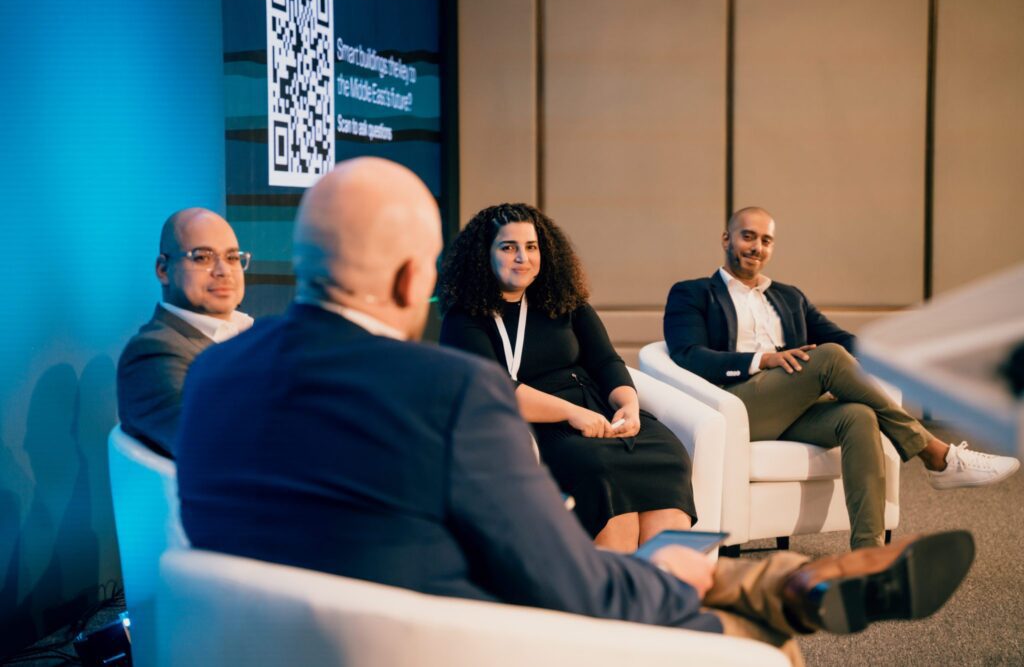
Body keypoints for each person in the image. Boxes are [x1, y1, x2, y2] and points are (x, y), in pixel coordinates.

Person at [177, 158, 975, 666]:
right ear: (413, 276)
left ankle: (781, 578)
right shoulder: (451, 390)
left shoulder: (211, 379)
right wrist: (679, 578)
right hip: (466, 638)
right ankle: (773, 588)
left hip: (276, 634)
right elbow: (567, 582)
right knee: (760, 642)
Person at [664, 206, 1020, 550]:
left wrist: (886, 358)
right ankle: (935, 454)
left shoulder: (788, 297)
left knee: (858, 417)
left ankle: (868, 554)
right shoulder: (693, 293)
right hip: (737, 406)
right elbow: (688, 355)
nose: (757, 247)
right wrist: (763, 359)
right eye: (748, 236)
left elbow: (842, 338)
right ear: (727, 238)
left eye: (767, 240)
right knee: (829, 358)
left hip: (792, 408)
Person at [438, 203, 694, 553]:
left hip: (600, 410)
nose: (522, 258)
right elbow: (494, 390)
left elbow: (606, 362)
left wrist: (629, 406)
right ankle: (613, 595)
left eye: (531, 247)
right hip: (546, 422)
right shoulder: (464, 318)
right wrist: (572, 413)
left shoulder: (564, 302)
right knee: (599, 467)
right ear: (485, 255)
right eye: (508, 247)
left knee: (670, 455)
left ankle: (667, 591)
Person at [116, 208, 253, 457]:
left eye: (232, 257)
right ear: (163, 270)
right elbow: (216, 448)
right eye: (202, 257)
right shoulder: (152, 353)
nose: (223, 271)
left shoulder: (255, 336)